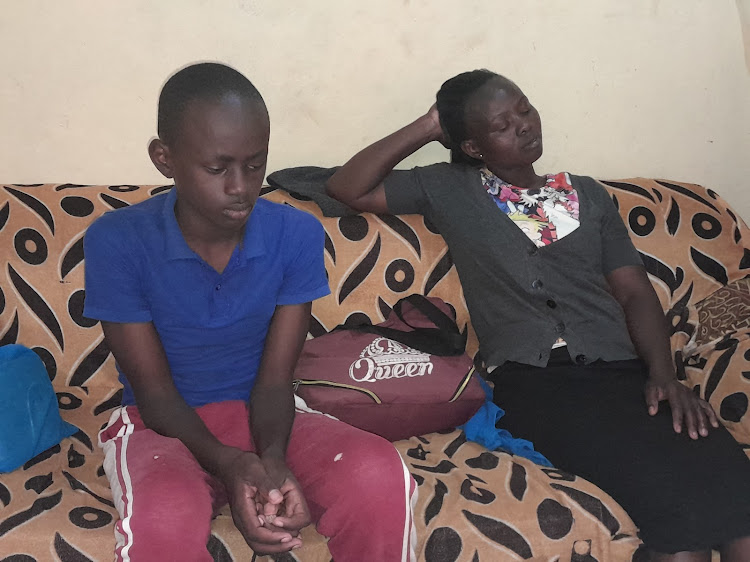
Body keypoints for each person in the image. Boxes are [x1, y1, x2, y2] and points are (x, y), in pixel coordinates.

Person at [325, 69, 750, 561]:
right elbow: (346, 187)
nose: (524, 125)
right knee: (683, 529)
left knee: (737, 497)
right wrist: (429, 126)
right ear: (474, 147)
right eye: (502, 125)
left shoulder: (589, 196)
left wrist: (664, 375)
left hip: (624, 376)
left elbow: (634, 292)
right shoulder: (450, 189)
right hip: (538, 386)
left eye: (523, 109)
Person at [84, 62, 416, 562]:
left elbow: (275, 382)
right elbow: (155, 395)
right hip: (160, 426)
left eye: (255, 164)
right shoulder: (118, 241)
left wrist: (273, 462)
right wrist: (229, 463)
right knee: (164, 520)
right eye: (218, 168)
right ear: (164, 159)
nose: (241, 187)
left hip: (267, 415)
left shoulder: (295, 235)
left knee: (379, 472)